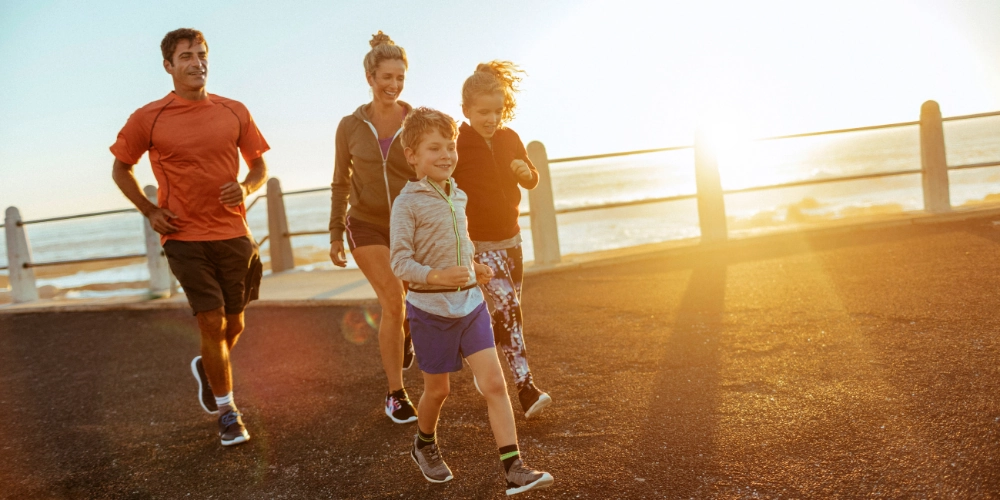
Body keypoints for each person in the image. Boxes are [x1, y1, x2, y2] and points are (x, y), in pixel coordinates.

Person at [110, 28, 268, 446]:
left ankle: (209, 367)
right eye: (186, 57)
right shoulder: (149, 117)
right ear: (169, 66)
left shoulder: (234, 111)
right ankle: (228, 412)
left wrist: (247, 188)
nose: (197, 62)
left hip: (234, 232)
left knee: (235, 322)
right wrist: (150, 211)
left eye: (201, 55)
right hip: (183, 236)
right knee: (211, 320)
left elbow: (258, 168)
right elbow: (120, 168)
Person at [390, 107, 554, 495]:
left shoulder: (458, 195)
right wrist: (435, 276)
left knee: (495, 384)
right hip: (430, 311)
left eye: (450, 146)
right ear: (412, 155)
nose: (446, 155)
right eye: (434, 148)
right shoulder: (407, 203)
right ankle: (423, 443)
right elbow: (399, 261)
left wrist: (474, 265)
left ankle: (514, 468)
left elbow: (461, 244)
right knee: (438, 391)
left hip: (470, 306)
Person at [452, 61, 552, 418]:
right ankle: (525, 388)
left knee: (508, 316)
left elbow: (532, 177)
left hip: (512, 243)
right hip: (480, 247)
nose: (491, 118)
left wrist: (527, 172)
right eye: (483, 112)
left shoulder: (510, 138)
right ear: (466, 110)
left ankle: (481, 358)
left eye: (497, 111)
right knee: (509, 310)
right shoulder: (458, 144)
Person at [329, 31, 418, 424]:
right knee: (393, 300)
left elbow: (432, 170)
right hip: (364, 224)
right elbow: (340, 181)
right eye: (387, 77)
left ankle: (407, 331)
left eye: (400, 78)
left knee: (411, 301)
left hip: (408, 223)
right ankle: (395, 394)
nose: (394, 85)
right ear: (370, 77)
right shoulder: (349, 126)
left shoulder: (416, 121)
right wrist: (335, 233)